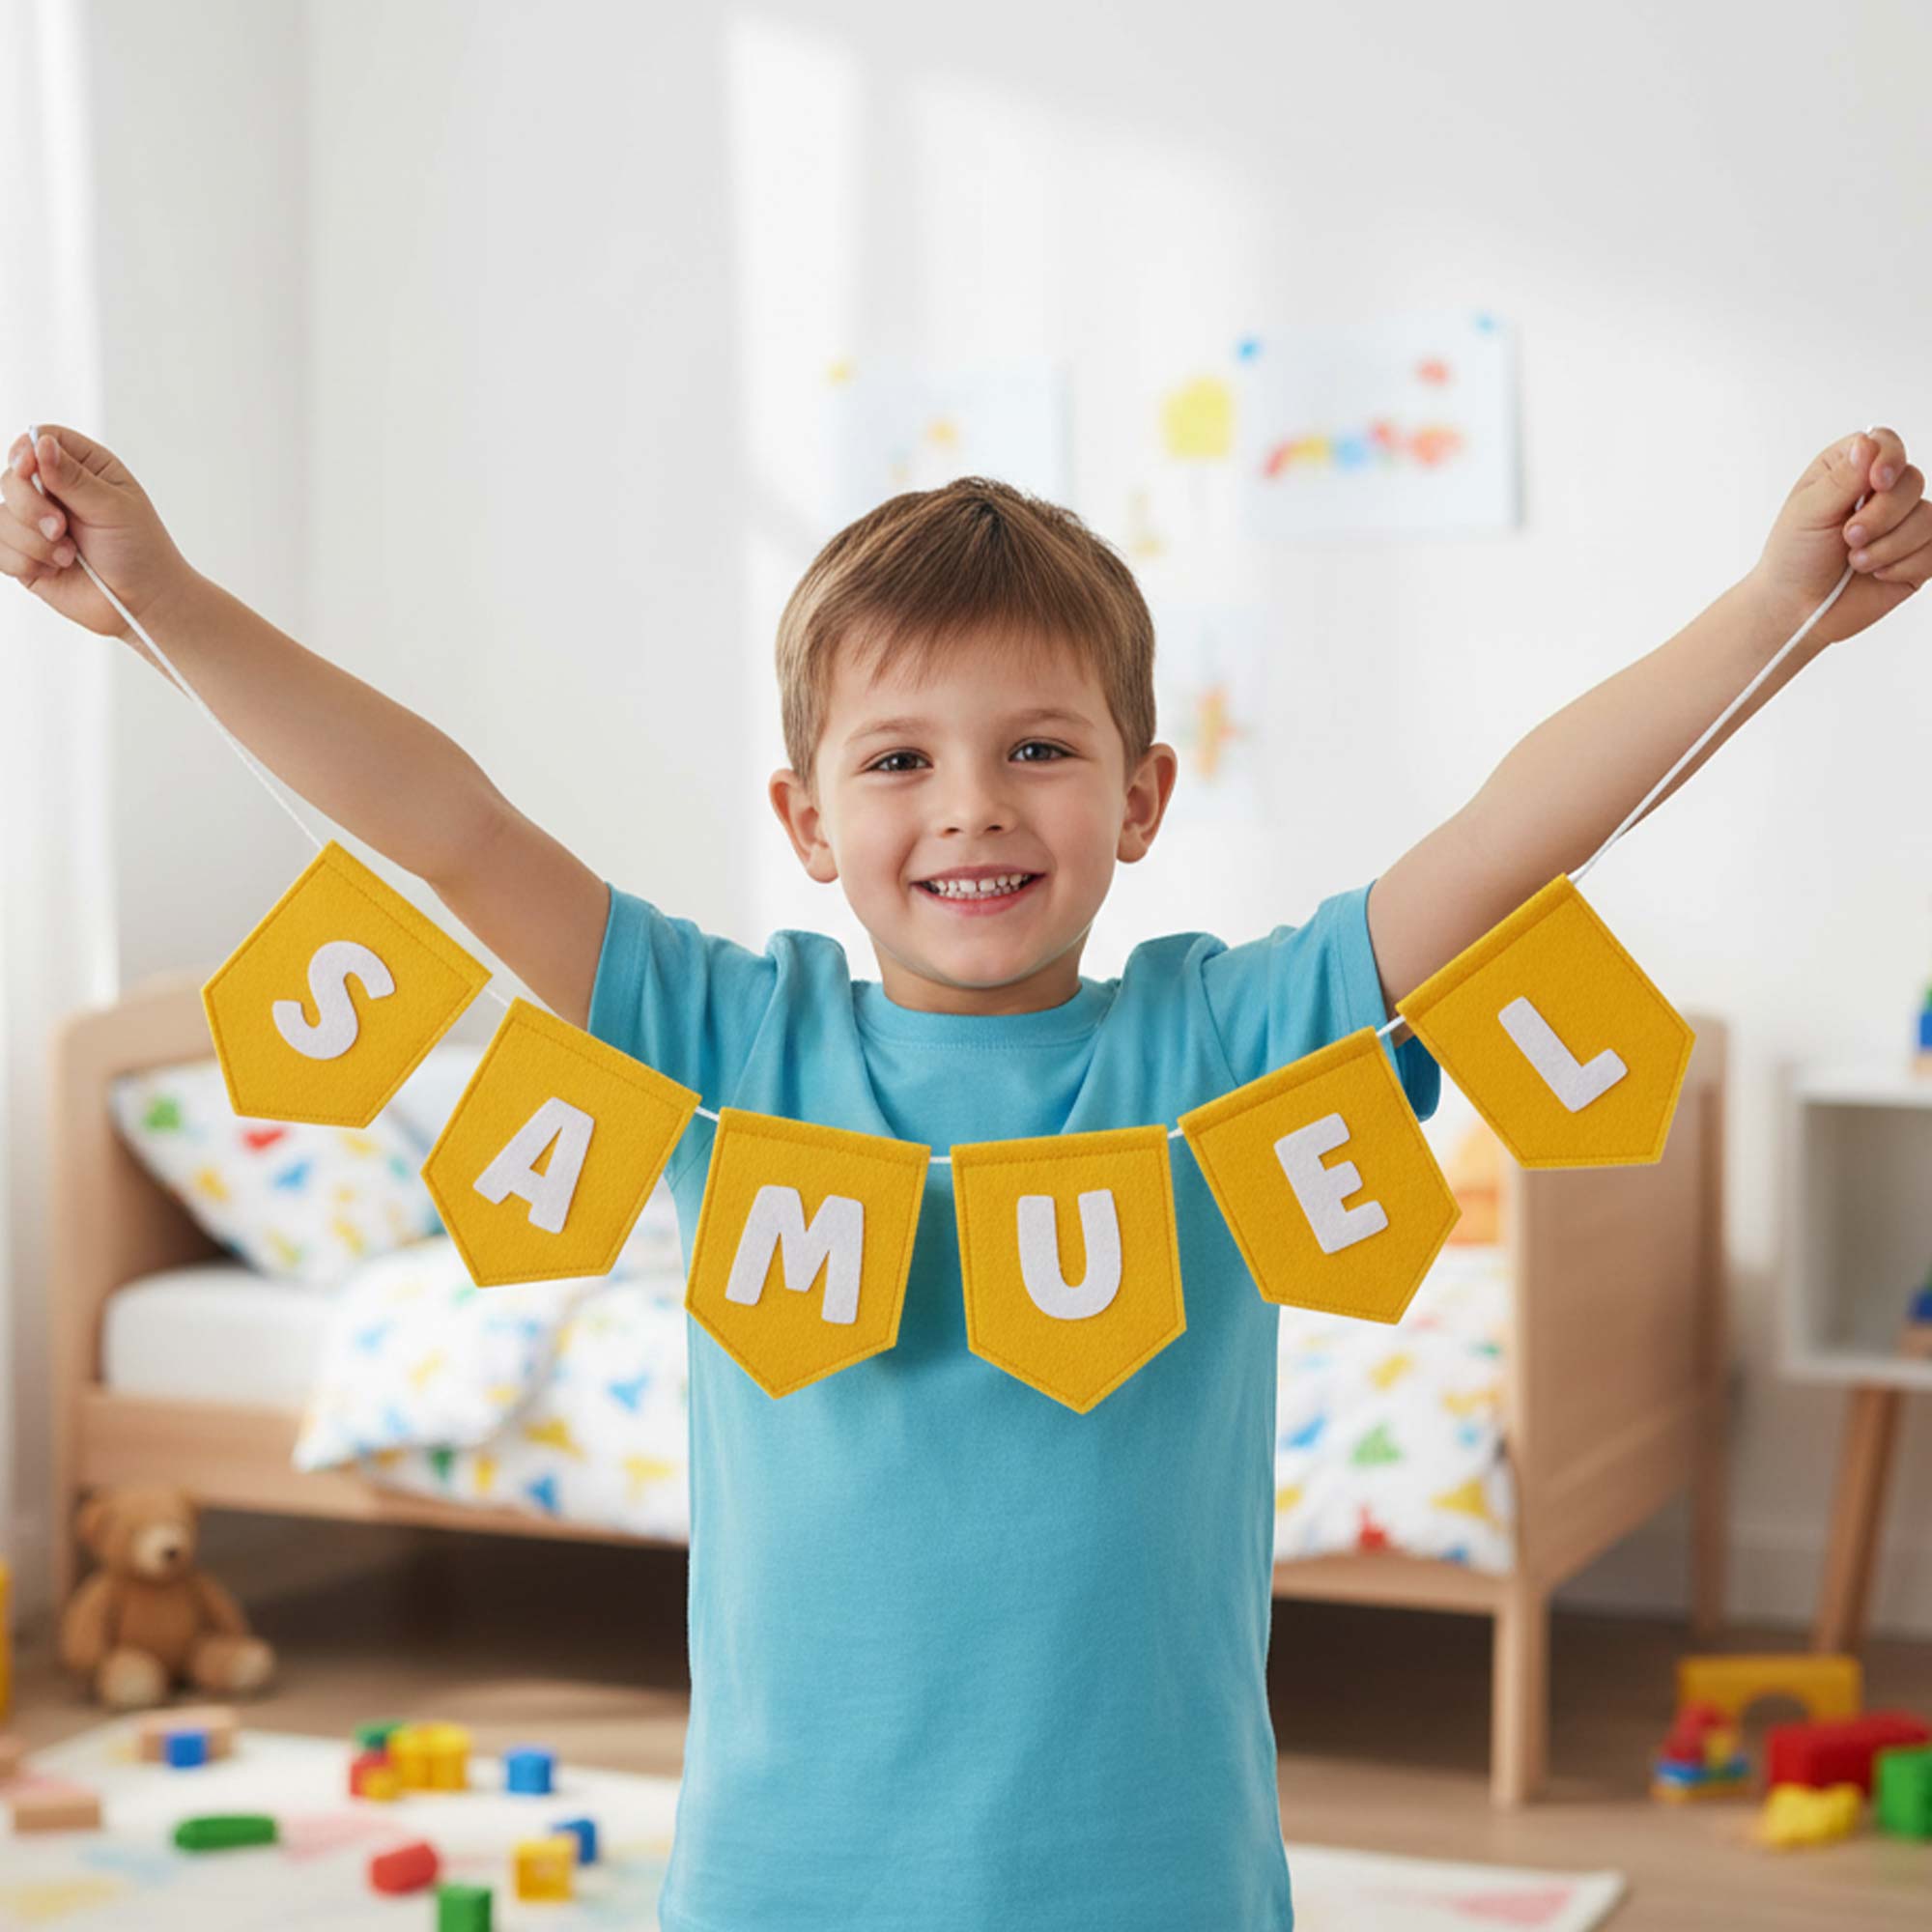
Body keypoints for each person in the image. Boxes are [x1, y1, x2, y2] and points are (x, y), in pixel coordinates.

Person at [6, 421, 1923, 1928]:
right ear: (808, 821)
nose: (972, 806)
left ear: (1142, 795)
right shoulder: (723, 1039)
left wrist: (1774, 605)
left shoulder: (1237, 1043)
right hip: (784, 1885)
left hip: (1154, 1883)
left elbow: (1512, 834)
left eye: (1035, 747)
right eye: (899, 759)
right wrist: (161, 593)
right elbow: (445, 825)